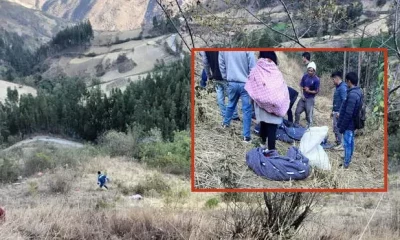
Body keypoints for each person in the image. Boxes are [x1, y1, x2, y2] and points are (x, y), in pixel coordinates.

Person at [251, 51, 288, 150]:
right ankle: (271, 151)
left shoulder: (257, 68)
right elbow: (282, 88)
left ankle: (261, 146)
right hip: (275, 105)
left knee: (263, 124)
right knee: (272, 129)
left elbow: (252, 86)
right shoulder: (276, 71)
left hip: (261, 104)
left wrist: (254, 103)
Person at [219, 51, 256, 143]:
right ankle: (246, 137)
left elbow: (221, 64)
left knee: (231, 104)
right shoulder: (247, 48)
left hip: (231, 81)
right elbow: (252, 65)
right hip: (246, 83)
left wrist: (226, 77)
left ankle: (225, 124)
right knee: (247, 110)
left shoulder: (224, 48)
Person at [201, 51, 240, 121]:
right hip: (226, 75)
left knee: (220, 96)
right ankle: (234, 115)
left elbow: (205, 62)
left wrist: (209, 75)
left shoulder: (205, 50)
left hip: (215, 76)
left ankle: (224, 113)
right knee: (231, 96)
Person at [337, 72, 362, 169]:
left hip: (349, 124)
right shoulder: (358, 92)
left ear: (349, 81)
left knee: (347, 143)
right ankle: (348, 158)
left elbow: (348, 113)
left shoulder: (352, 95)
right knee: (351, 141)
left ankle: (346, 163)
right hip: (352, 123)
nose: (346, 83)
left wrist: (342, 127)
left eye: (346, 81)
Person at [294, 62, 319, 128]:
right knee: (297, 111)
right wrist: (302, 94)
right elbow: (301, 86)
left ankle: (309, 127)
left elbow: (316, 91)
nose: (310, 72)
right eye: (309, 70)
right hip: (303, 97)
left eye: (311, 71)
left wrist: (309, 91)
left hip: (310, 98)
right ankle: (296, 124)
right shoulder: (305, 76)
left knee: (308, 114)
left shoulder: (316, 80)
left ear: (314, 71)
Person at [331, 71, 347, 150]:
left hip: (339, 112)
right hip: (335, 110)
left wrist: (340, 112)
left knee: (338, 128)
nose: (333, 81)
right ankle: (338, 142)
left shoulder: (343, 88)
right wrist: (332, 111)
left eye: (333, 79)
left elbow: (344, 100)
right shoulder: (338, 87)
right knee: (335, 127)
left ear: (337, 78)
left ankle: (341, 144)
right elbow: (336, 100)